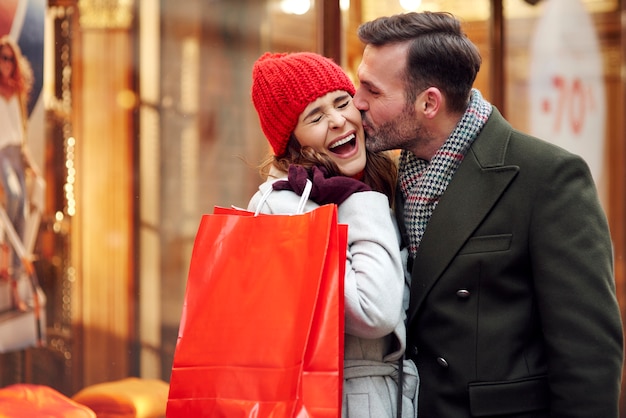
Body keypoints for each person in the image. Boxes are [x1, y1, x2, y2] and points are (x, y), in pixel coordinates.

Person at [352, 10, 624, 418]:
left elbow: (589, 357)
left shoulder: (547, 176)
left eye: (372, 91)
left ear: (429, 103)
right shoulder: (385, 179)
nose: (357, 103)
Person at [248, 51, 419, 418]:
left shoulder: (376, 181)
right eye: (315, 116)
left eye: (342, 103)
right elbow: (375, 311)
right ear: (291, 142)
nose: (339, 120)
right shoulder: (285, 208)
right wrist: (361, 201)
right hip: (333, 403)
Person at [0, 35, 39, 312]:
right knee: (13, 197)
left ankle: (14, 283)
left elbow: (21, 135)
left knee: (22, 218)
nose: (6, 63)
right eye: (2, 58)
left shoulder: (18, 94)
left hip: (16, 153)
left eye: (10, 58)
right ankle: (8, 253)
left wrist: (32, 164)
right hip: (1, 154)